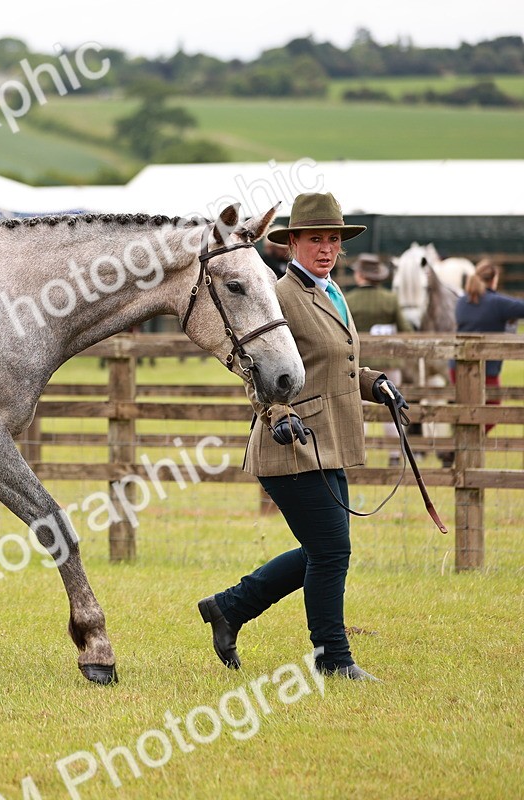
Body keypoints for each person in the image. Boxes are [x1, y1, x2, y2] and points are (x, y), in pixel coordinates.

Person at [197, 192, 407, 682]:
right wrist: (278, 410)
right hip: (289, 442)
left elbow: (339, 362)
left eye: (333, 239)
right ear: (292, 243)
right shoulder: (282, 295)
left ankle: (229, 608)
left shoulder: (332, 293)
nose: (327, 248)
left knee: (323, 550)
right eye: (316, 239)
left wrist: (375, 382)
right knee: (332, 551)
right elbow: (257, 364)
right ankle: (333, 657)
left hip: (329, 439)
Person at [345, 253, 413, 465]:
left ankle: (358, 456)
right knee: (392, 407)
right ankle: (395, 455)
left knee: (358, 410)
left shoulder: (349, 301)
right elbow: (406, 330)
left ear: (360, 275)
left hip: (358, 365)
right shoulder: (390, 300)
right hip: (389, 363)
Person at [451, 259, 524, 433]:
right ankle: (460, 445)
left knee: (467, 411)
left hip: (457, 366)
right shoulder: (497, 303)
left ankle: (456, 447)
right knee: (492, 412)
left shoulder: (462, 302)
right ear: (494, 280)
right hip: (486, 368)